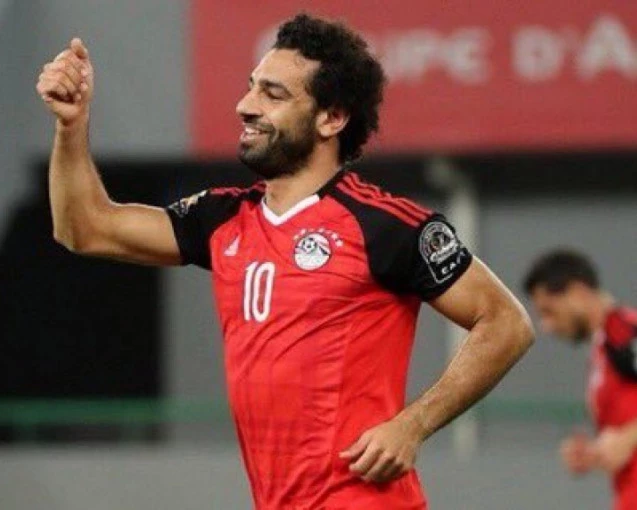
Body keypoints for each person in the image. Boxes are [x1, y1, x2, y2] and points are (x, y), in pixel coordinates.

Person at [36, 13, 533, 510]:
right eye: (252, 86)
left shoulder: (386, 226)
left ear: (331, 119)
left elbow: (506, 323)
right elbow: (85, 229)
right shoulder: (223, 218)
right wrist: (71, 125)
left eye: (273, 95)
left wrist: (413, 424)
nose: (245, 105)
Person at [524, 249, 637, 510]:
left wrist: (627, 439)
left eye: (549, 311)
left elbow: (626, 438)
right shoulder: (603, 348)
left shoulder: (622, 333)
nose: (546, 325)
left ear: (578, 292)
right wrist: (596, 452)